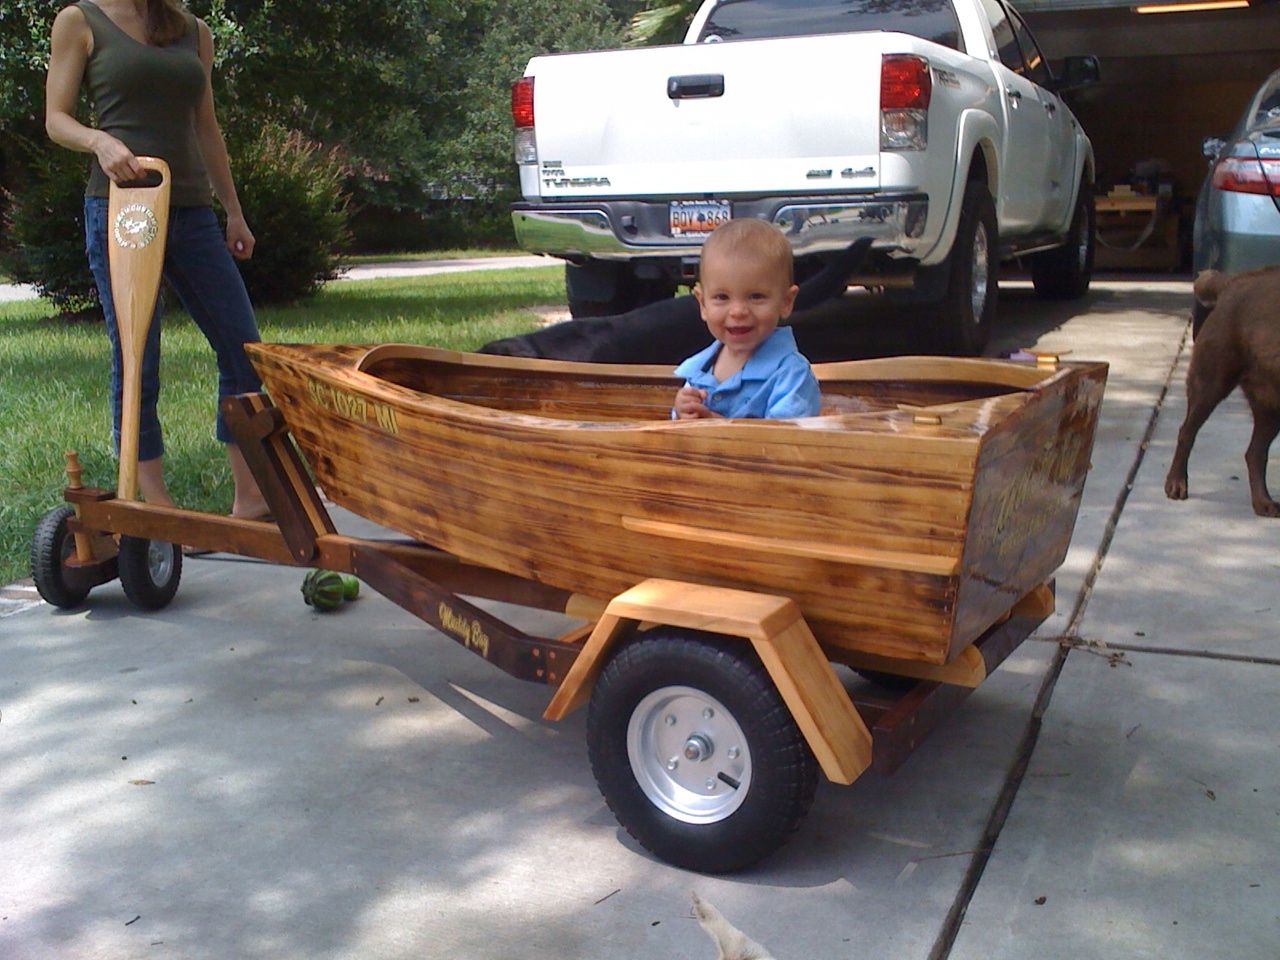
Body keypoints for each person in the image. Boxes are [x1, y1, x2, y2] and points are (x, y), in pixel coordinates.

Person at [45, 0, 268, 520]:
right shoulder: (80, 20)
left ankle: (250, 497)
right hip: (123, 209)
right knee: (136, 357)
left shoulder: (193, 29)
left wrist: (233, 211)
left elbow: (206, 125)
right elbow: (56, 119)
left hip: (191, 211)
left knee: (244, 349)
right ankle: (155, 504)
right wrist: (99, 141)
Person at [672, 218, 821, 420]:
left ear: (786, 302)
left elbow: (785, 443)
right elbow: (677, 433)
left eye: (756, 296)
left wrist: (714, 424)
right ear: (703, 304)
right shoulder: (698, 370)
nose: (738, 311)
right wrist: (682, 412)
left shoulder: (791, 374)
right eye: (722, 297)